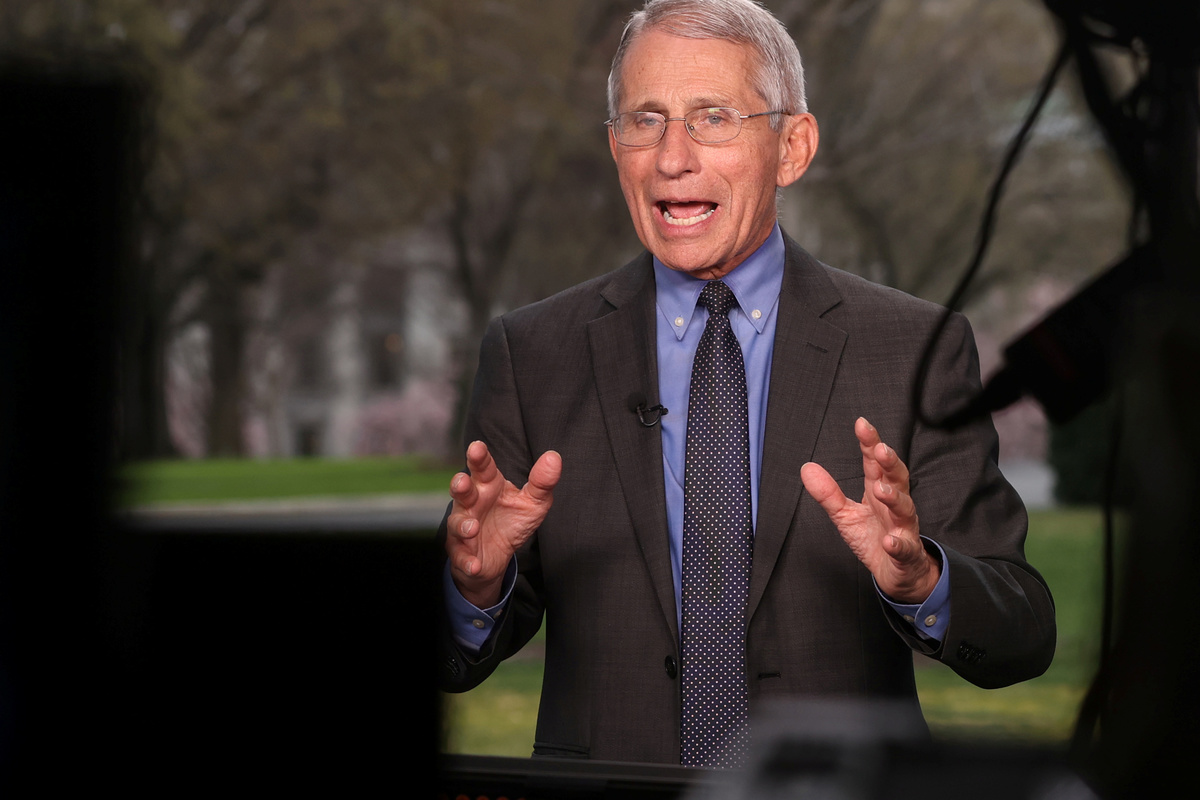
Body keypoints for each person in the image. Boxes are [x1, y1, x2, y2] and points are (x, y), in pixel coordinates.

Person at [438, 0, 1055, 767]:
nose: (672, 158)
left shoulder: (913, 348)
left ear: (792, 147)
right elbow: (456, 658)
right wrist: (473, 588)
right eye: (645, 121)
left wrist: (921, 579)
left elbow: (1022, 635)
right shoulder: (531, 353)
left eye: (712, 118)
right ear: (615, 146)